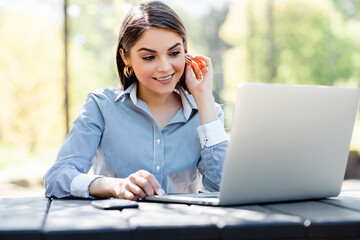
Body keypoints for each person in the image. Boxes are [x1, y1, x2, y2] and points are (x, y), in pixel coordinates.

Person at [43, 1, 228, 200]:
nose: (165, 67)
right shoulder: (101, 107)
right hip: (118, 226)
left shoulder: (208, 112)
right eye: (149, 57)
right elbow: (57, 177)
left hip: (185, 229)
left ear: (185, 52)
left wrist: (203, 96)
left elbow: (223, 185)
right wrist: (114, 185)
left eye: (174, 53)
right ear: (126, 57)